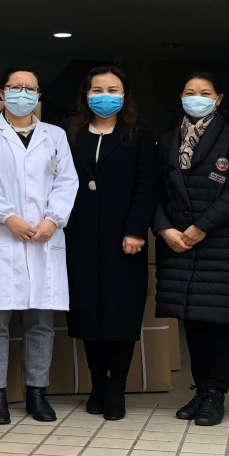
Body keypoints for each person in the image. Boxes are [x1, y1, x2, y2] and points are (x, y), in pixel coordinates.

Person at [0, 67, 79, 424]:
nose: (23, 93)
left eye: (30, 88)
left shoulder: (54, 135)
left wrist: (53, 220)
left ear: (39, 96)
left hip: (45, 237)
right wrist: (8, 218)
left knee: (41, 321)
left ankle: (36, 393)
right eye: (15, 87)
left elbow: (67, 181)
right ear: (2, 93)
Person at [153, 71, 229, 428]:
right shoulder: (169, 139)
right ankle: (200, 390)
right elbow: (154, 189)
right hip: (178, 242)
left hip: (220, 243)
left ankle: (215, 393)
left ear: (219, 99)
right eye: (189, 92)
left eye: (205, 92)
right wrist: (163, 228)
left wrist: (202, 227)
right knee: (193, 319)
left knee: (220, 320)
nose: (196, 97)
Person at [63, 66, 159, 420]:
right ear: (86, 94)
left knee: (121, 312)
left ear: (124, 95)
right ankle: (97, 385)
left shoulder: (139, 135)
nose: (105, 96)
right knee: (87, 312)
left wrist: (136, 230)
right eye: (97, 89)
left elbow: (147, 186)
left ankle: (117, 386)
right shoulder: (70, 133)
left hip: (124, 239)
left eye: (113, 89)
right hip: (79, 236)